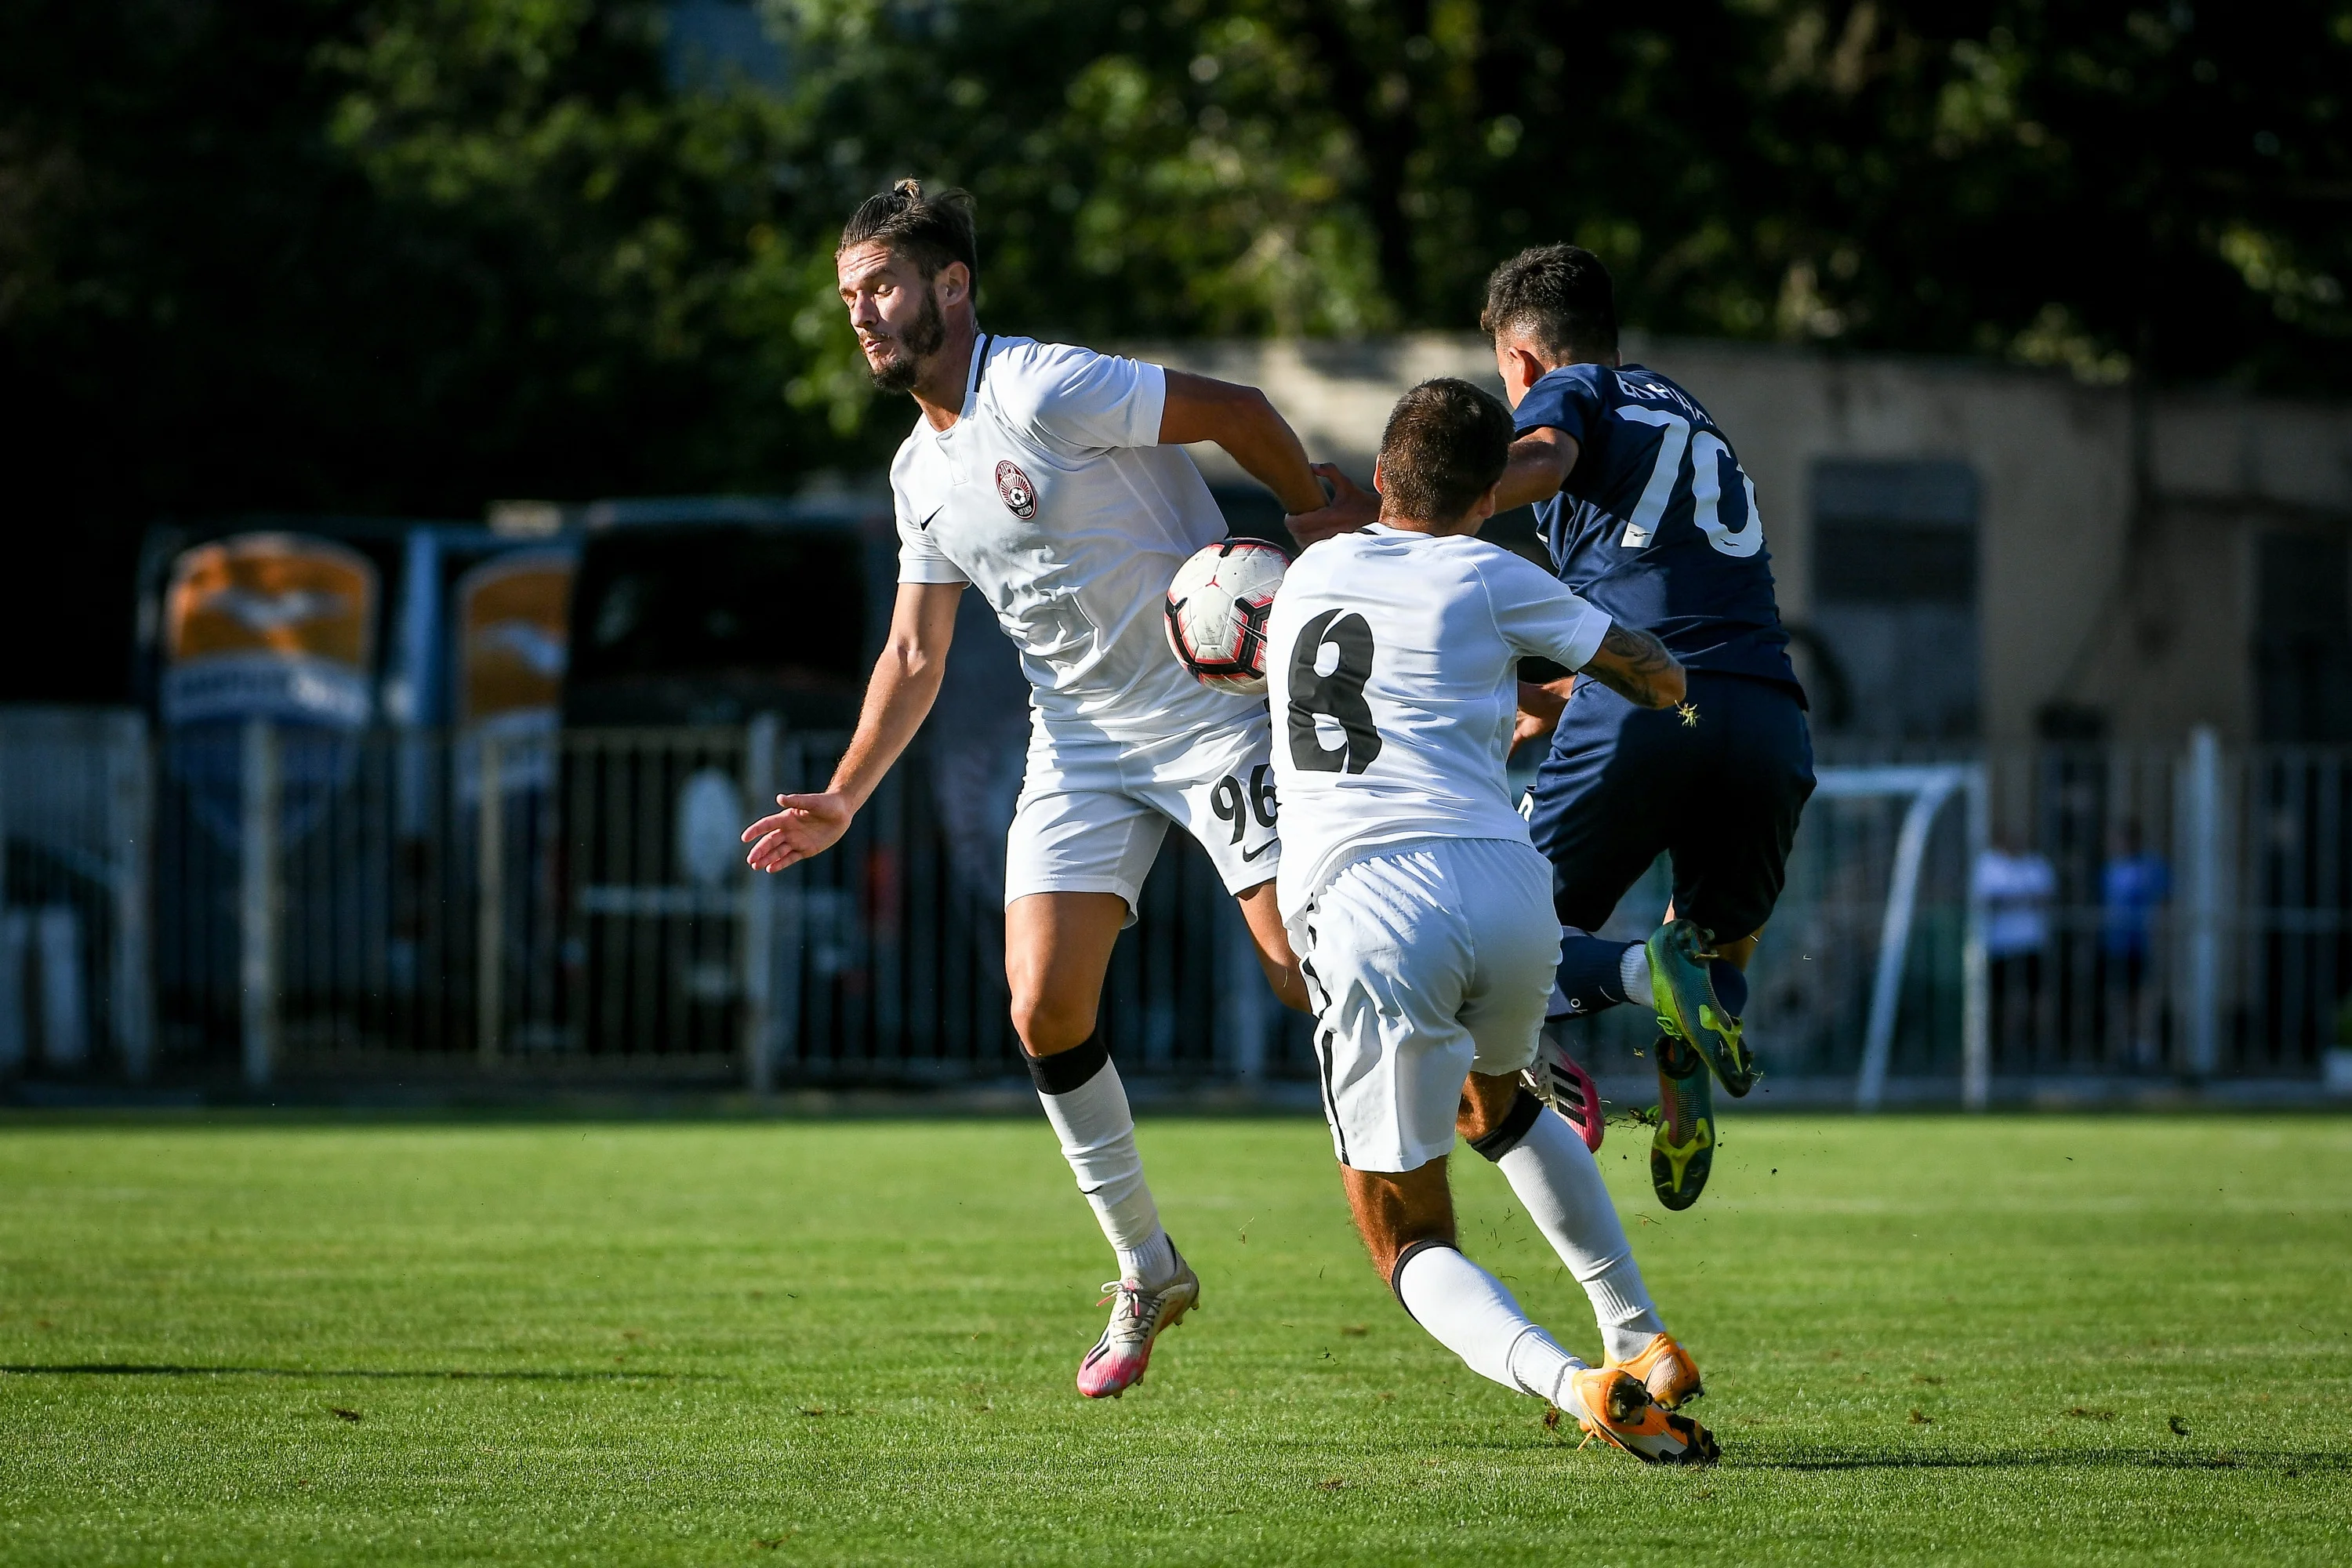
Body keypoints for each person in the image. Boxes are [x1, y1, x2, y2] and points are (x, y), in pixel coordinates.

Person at [741, 180, 1333, 1399]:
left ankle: (1511, 1056)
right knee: (1042, 1010)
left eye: (884, 286)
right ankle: (1146, 1268)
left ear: (952, 286)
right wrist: (845, 799)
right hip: (1080, 746)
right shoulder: (917, 471)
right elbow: (914, 656)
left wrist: (1316, 522)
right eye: (850, 296)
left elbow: (1239, 409)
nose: (864, 314)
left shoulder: (1045, 385)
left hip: (1211, 714)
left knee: (1301, 973)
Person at [1266, 377, 1716, 1464]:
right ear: (1490, 498)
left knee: (1405, 1232)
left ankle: (1582, 1388)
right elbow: (1652, 672)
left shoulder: (1307, 574)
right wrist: (1657, 695)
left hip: (1369, 897)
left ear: (1380, 478)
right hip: (1510, 896)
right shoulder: (1492, 571)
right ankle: (1643, 1336)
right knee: (1498, 1103)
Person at [1316, 245, 1817, 1211]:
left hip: (1647, 702)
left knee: (1496, 943)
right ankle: (1681, 1051)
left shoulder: (1574, 390)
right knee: (1718, 941)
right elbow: (1660, 582)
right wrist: (1539, 702)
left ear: (1524, 362)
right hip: (1764, 715)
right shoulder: (1681, 405)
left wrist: (1429, 510)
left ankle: (1629, 986)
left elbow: (1542, 462)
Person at [1974, 832, 2056, 1063]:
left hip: (2032, 943)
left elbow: (2045, 899)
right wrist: (2022, 899)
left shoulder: (2037, 864)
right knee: (2001, 997)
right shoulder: (1988, 864)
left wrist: (2010, 900)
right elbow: (1988, 901)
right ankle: (2005, 1047)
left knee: (2036, 996)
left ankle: (2039, 1047)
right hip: (2000, 945)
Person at [2100, 822, 2169, 1069]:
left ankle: (2144, 1049)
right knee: (2118, 997)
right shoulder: (2111, 869)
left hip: (2142, 943)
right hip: (2115, 944)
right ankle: (2120, 1048)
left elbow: (2162, 903)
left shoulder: (2151, 868)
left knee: (2143, 998)